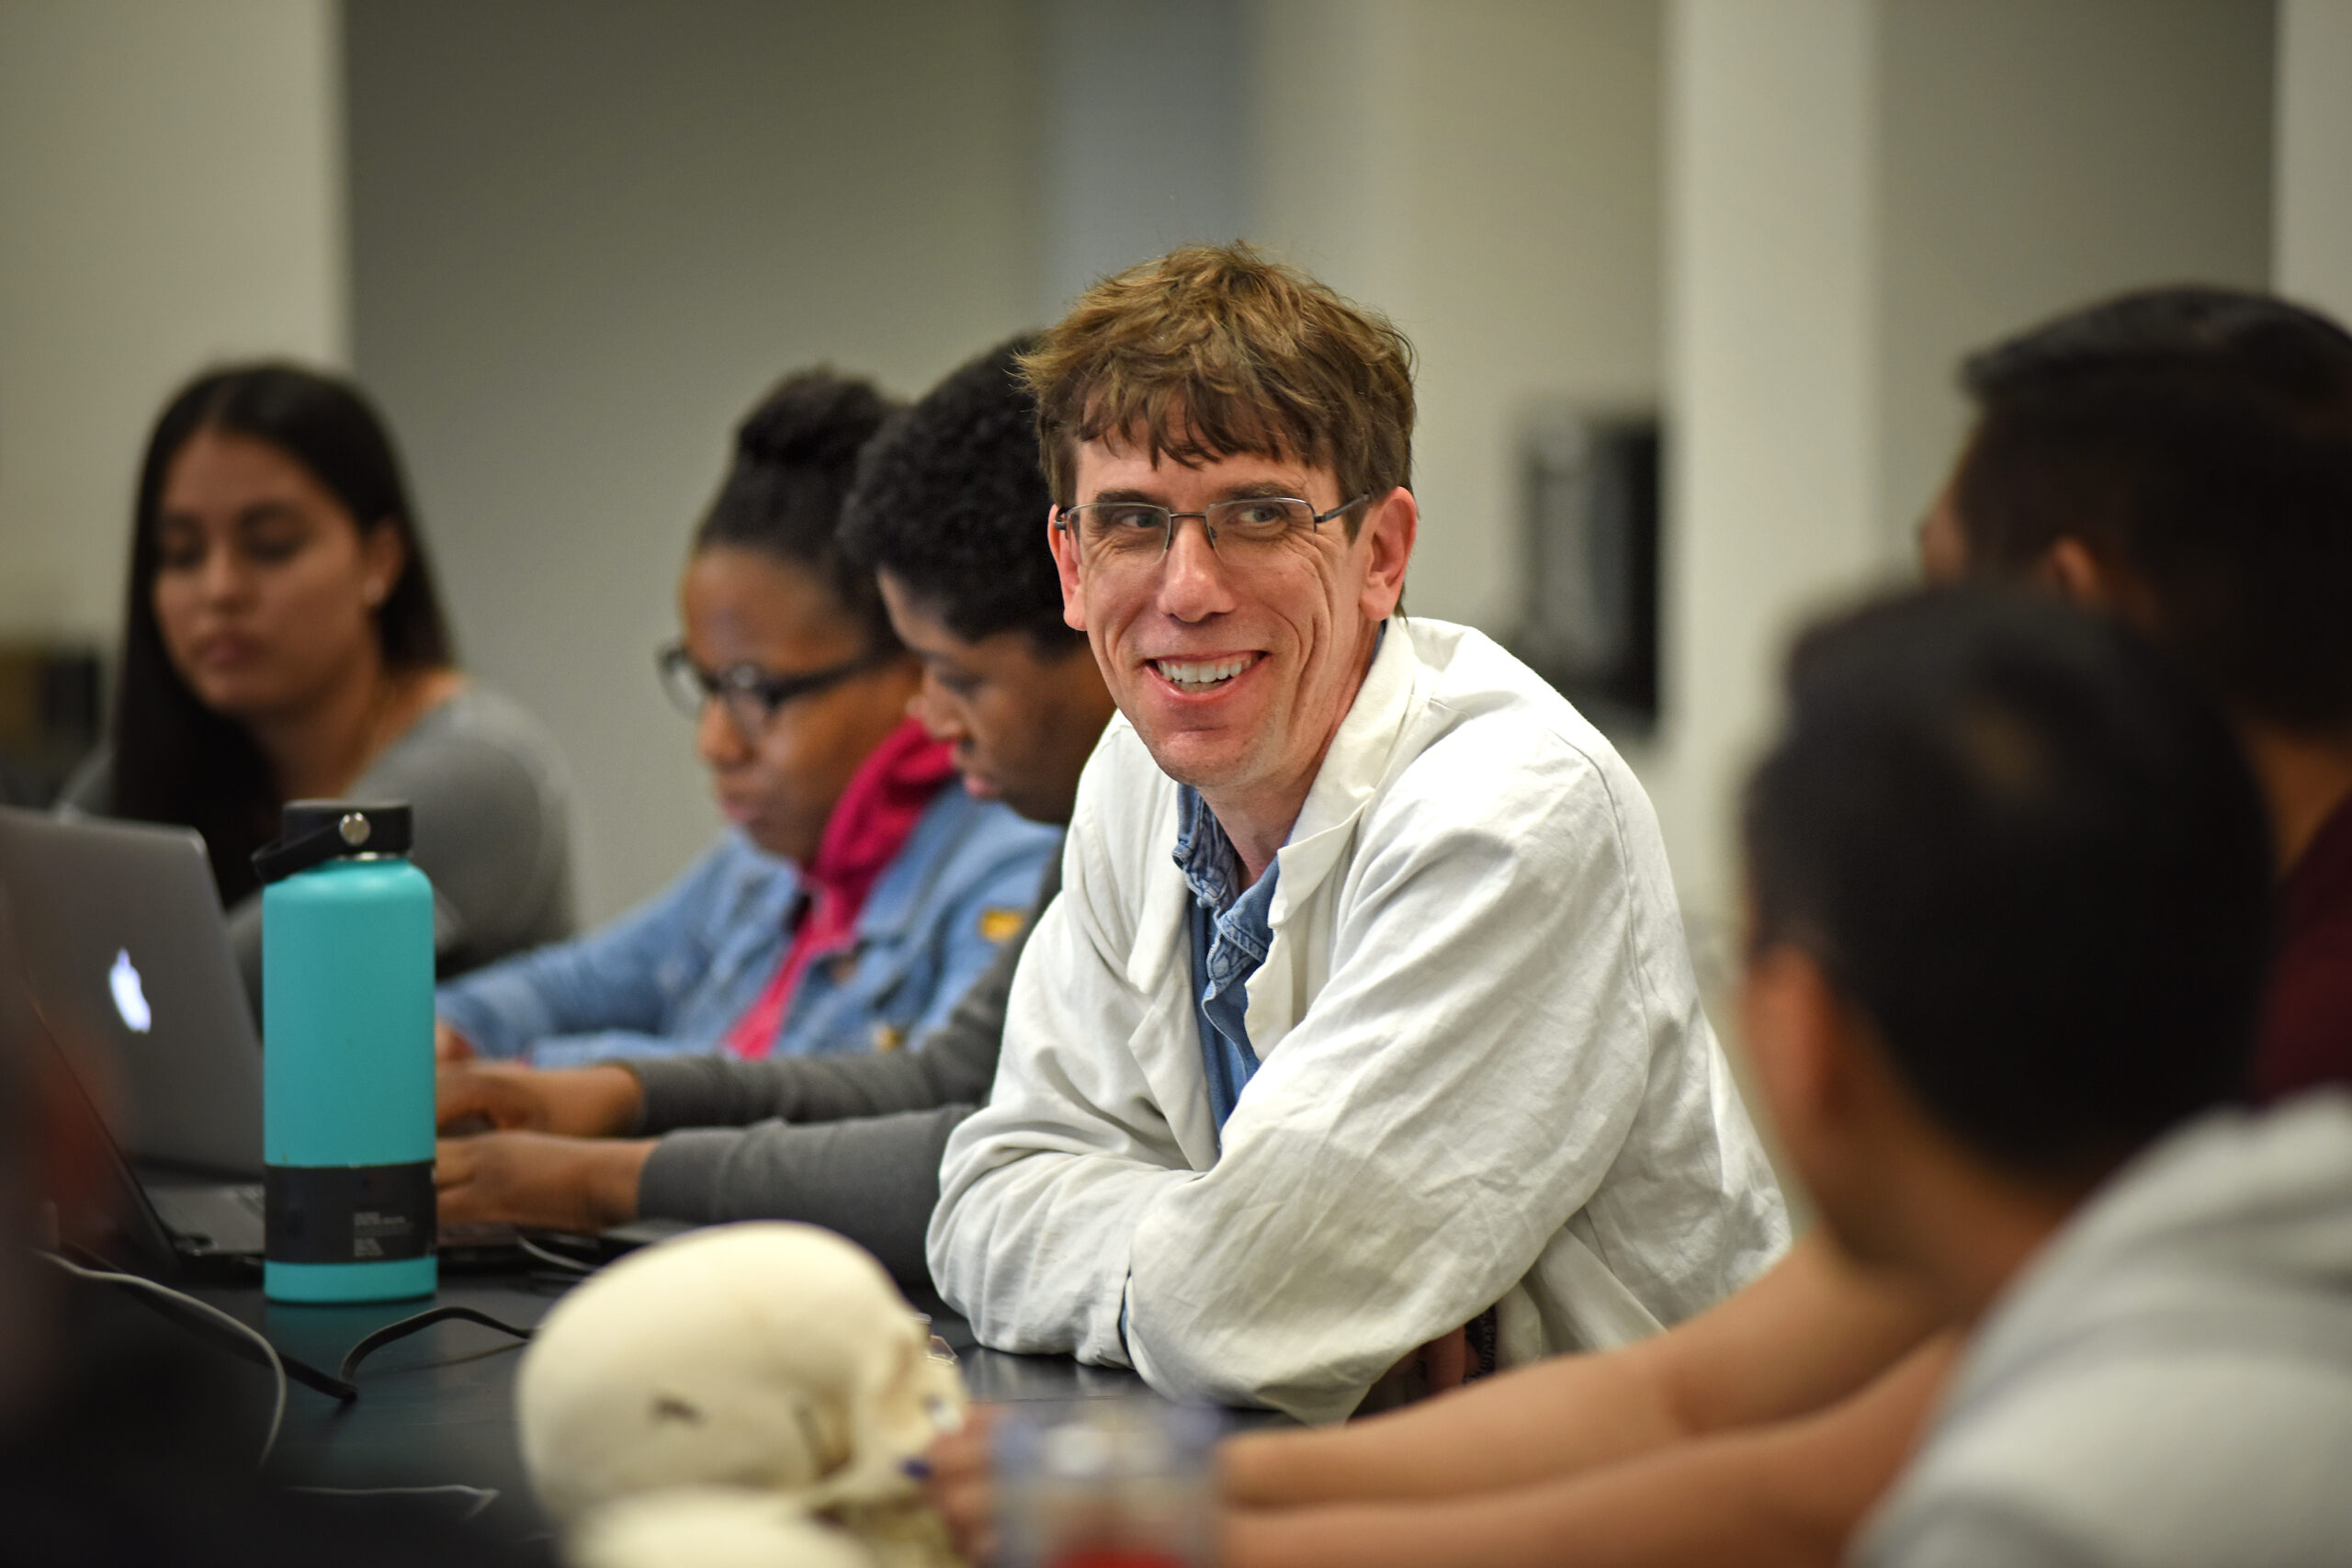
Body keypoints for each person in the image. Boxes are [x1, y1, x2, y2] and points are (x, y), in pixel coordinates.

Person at [925, 244, 1789, 1424]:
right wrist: (1209, 1272)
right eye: (1132, 522)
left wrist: (1222, 1277)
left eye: (1257, 515)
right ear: (1071, 564)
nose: (1186, 588)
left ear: (1380, 553)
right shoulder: (1136, 768)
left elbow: (1240, 1304)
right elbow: (985, 1194)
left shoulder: (1510, 812)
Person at [431, 338, 1116, 1288]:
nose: (930, 713)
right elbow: (948, 1083)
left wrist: (602, 1173)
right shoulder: (1110, 819)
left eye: (954, 677)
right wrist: (611, 1095)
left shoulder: (1032, 835)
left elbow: (982, 1157)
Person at [433, 368, 1060, 1070]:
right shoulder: (760, 865)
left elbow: (888, 1136)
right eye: (706, 686)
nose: (716, 742)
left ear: (910, 660)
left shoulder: (1011, 862)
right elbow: (573, 983)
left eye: (757, 691)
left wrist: (560, 1089)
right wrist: (452, 1032)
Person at [60, 363, 576, 1003]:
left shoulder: (478, 773)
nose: (220, 589)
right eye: (182, 554)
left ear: (380, 560)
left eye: (271, 544)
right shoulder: (139, 768)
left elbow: (197, 1007)